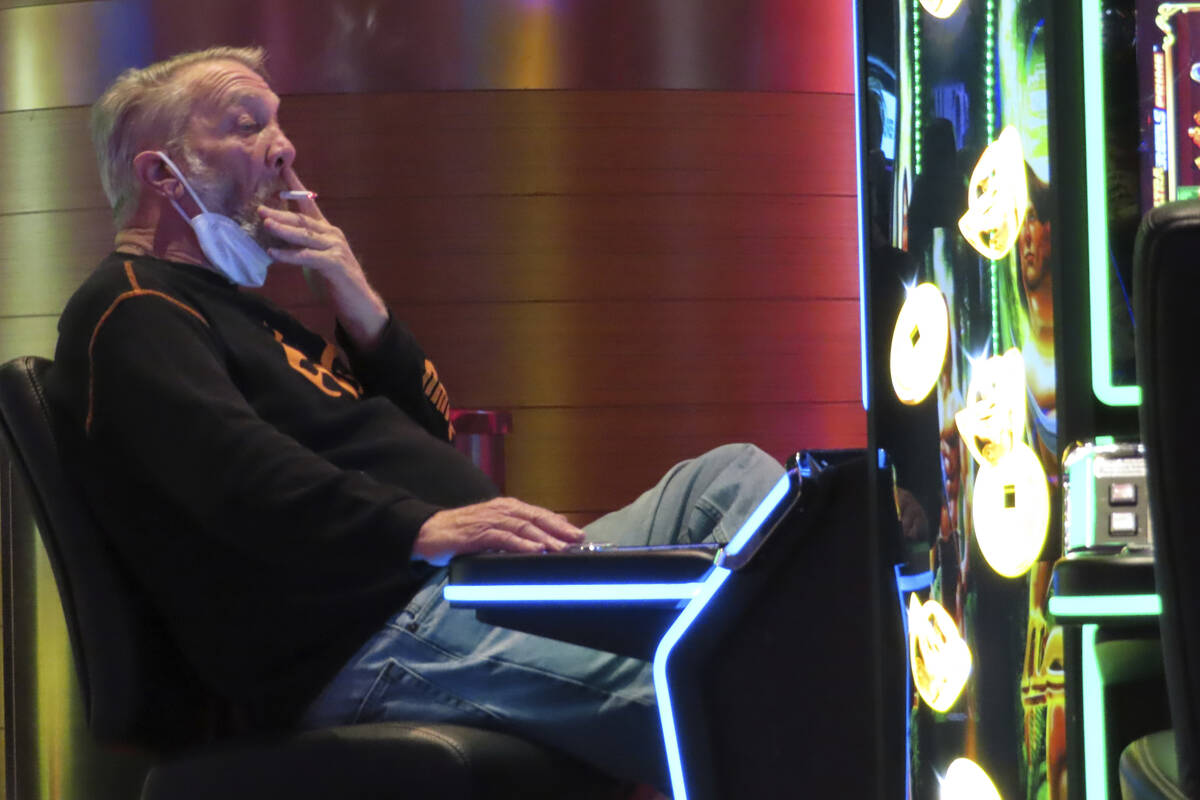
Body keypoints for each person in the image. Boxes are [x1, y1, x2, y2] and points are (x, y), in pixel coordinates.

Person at [44, 46, 784, 793]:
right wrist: (418, 528)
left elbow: (425, 434)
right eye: (245, 126)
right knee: (733, 694)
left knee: (729, 479)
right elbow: (235, 474)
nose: (285, 147)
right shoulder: (131, 309)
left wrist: (353, 294)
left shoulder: (253, 318)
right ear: (161, 175)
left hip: (461, 586)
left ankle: (821, 639)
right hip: (371, 633)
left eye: (277, 123)